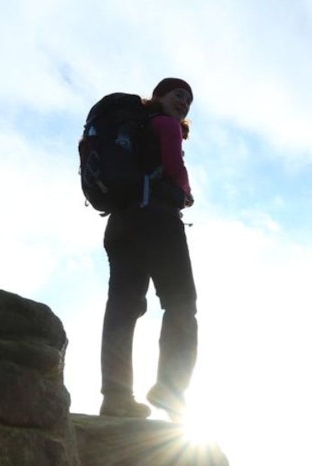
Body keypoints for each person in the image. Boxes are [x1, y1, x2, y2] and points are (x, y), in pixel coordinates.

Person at [99, 77, 198, 421]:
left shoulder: (135, 130)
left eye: (188, 99)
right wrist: (185, 191)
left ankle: (115, 396)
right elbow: (173, 166)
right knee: (181, 305)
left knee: (123, 307)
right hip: (157, 219)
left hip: (121, 224)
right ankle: (170, 391)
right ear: (159, 96)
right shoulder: (165, 125)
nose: (184, 101)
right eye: (178, 94)